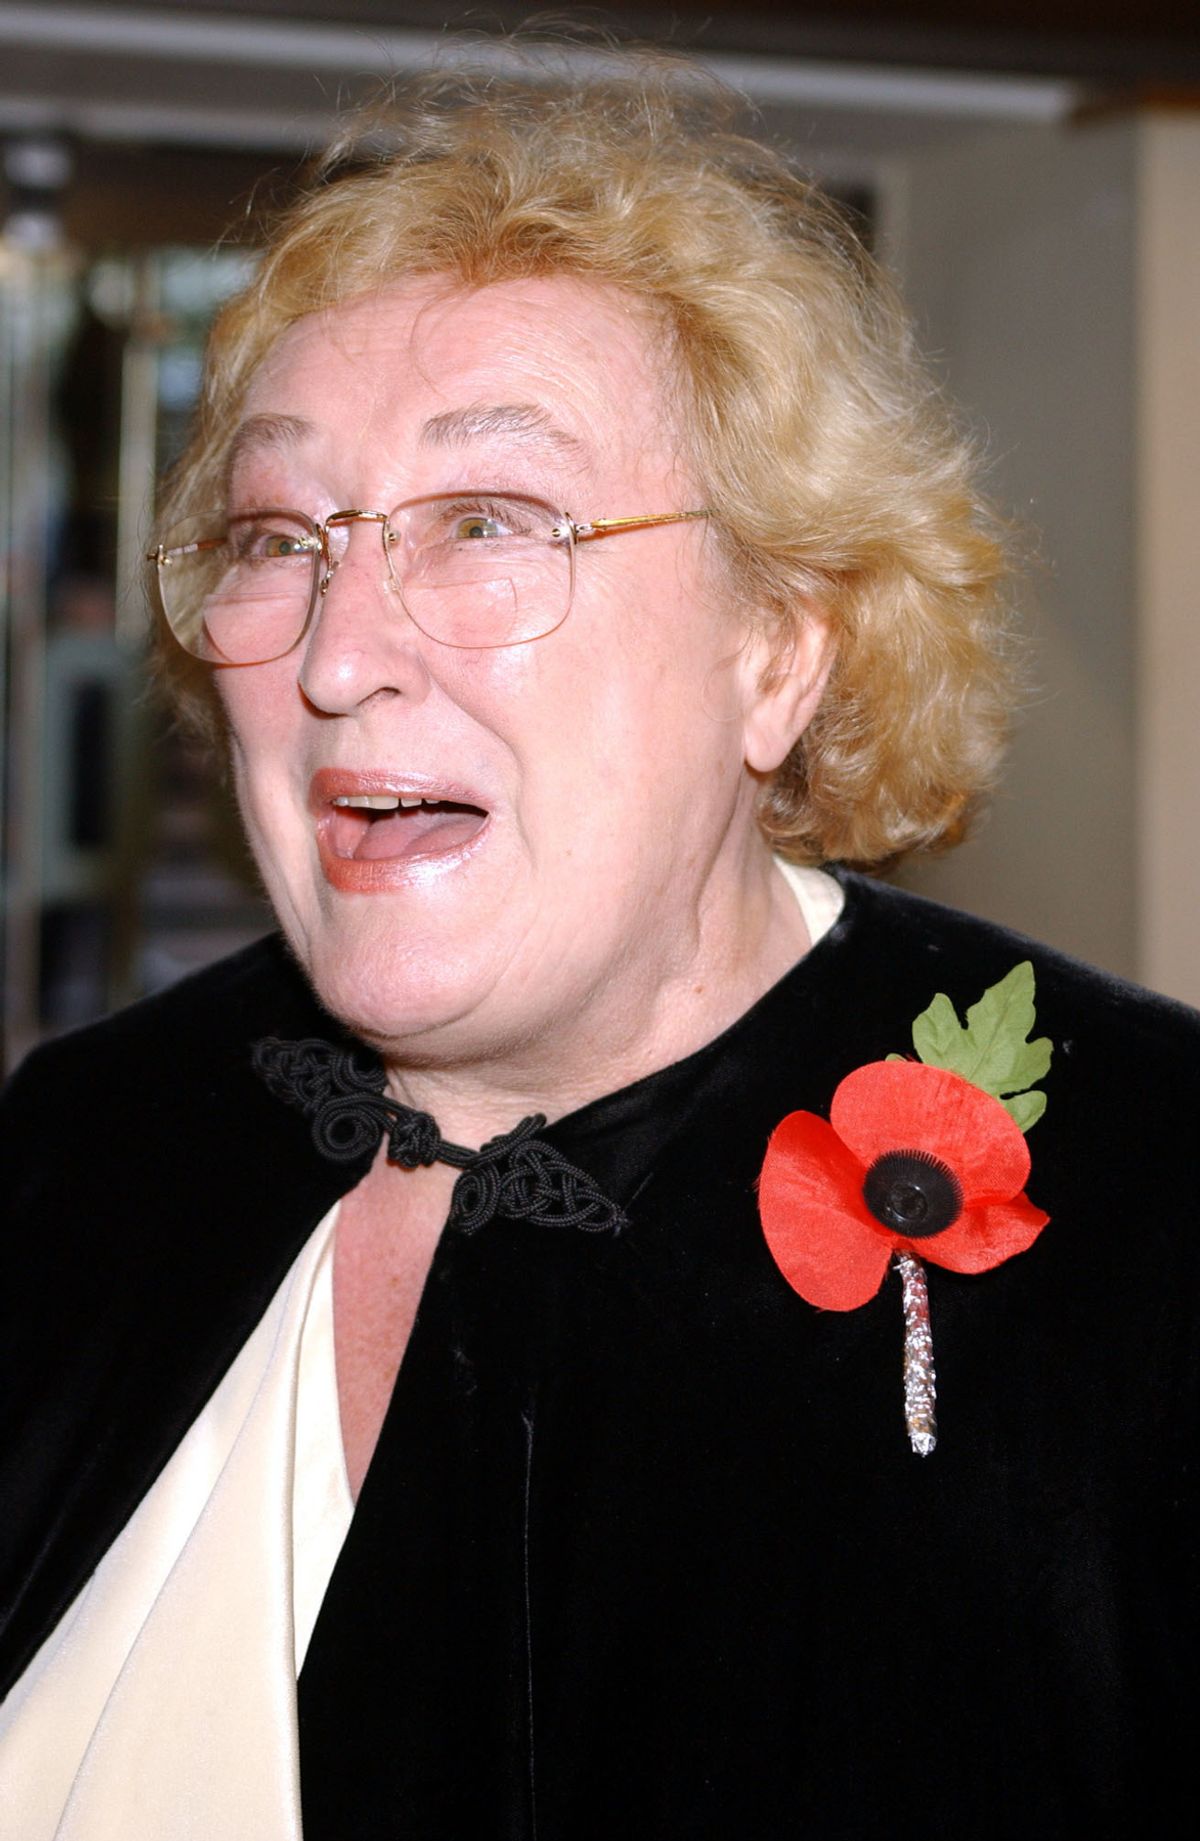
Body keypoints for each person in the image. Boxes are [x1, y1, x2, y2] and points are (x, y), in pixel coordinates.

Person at [1, 51, 1196, 1841]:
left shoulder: (1160, 1204)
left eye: (487, 521)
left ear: (779, 650)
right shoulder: (84, 1143)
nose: (337, 655)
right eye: (277, 535)